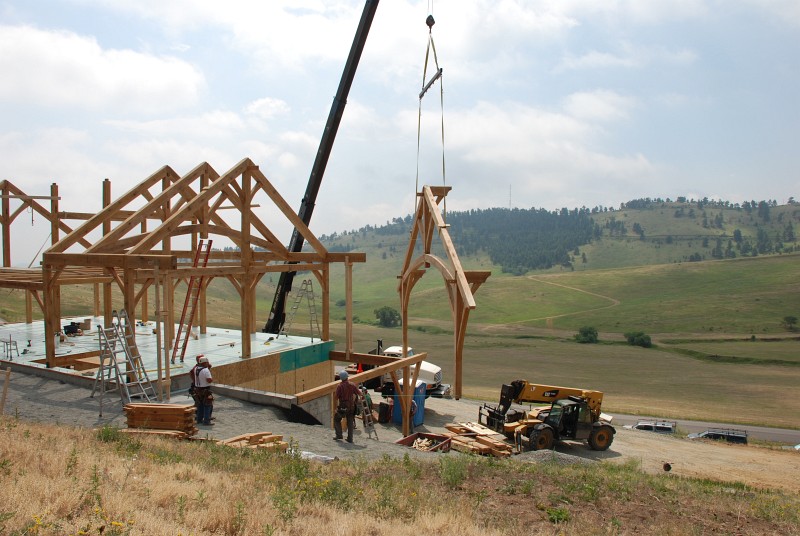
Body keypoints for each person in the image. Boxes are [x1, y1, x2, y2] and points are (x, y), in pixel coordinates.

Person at [333, 370, 360, 443]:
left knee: (336, 419)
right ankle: (350, 438)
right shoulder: (352, 385)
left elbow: (335, 397)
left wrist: (335, 408)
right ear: (347, 377)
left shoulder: (340, 386)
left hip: (343, 406)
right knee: (350, 422)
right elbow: (359, 393)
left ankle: (339, 435)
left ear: (341, 378)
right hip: (351, 406)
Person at [194, 356, 214, 425]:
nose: (208, 363)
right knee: (208, 405)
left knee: (200, 405)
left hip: (197, 389)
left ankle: (199, 420)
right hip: (205, 389)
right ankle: (206, 421)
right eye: (207, 362)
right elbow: (209, 380)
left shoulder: (196, 369)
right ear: (204, 363)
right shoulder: (206, 370)